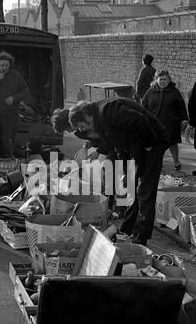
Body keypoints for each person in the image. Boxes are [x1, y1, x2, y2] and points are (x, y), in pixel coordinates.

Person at [68, 97, 169, 246]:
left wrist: (148, 145)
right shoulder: (99, 121)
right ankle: (128, 230)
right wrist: (125, 168)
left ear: (85, 116)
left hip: (153, 141)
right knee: (131, 186)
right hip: (138, 148)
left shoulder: (107, 111)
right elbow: (118, 143)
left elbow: (139, 121)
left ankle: (141, 236)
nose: (82, 130)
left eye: (80, 126)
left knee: (144, 190)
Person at [142, 70, 188, 171]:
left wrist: (184, 119)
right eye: (160, 79)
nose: (162, 81)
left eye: (165, 79)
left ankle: (176, 161)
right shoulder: (150, 91)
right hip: (155, 124)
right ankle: (159, 162)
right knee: (157, 144)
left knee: (172, 143)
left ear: (169, 80)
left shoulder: (174, 91)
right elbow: (143, 106)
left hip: (171, 123)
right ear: (156, 80)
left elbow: (181, 106)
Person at [0, 51, 30, 158]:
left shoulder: (16, 76)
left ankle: (8, 160)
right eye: (2, 65)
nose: (4, 68)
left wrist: (13, 98)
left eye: (6, 65)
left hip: (10, 114)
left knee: (8, 139)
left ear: (10, 65)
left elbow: (25, 91)